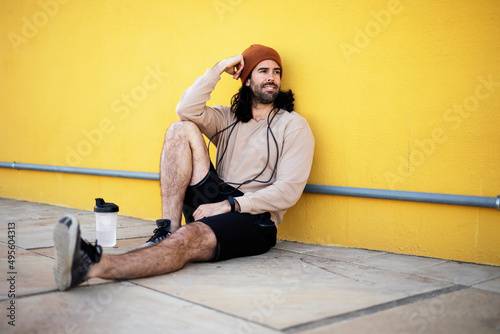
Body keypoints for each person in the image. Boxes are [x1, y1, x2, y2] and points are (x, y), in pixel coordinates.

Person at [53, 44, 315, 291]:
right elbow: (186, 109)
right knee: (181, 128)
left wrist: (230, 205)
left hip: (253, 217)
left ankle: (93, 265)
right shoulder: (229, 118)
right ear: (247, 79)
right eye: (263, 71)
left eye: (276, 72)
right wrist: (219, 68)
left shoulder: (293, 125)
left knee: (187, 240)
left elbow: (288, 191)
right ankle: (168, 227)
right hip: (214, 196)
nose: (272, 78)